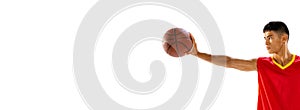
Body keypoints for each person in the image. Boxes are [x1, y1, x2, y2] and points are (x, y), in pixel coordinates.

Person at [187, 21, 300, 110]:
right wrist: (198, 54)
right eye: (265, 38)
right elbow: (229, 62)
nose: (266, 43)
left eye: (270, 38)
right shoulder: (262, 64)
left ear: (284, 38)